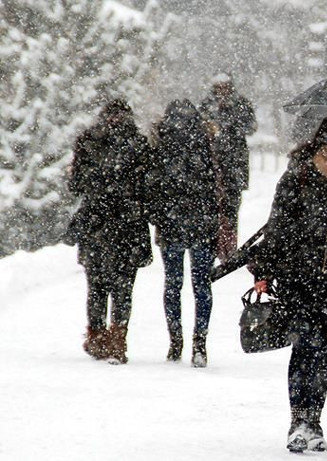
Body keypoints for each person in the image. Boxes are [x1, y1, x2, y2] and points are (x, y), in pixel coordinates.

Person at [248, 113, 327, 453]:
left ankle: (314, 420)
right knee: (305, 345)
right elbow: (278, 225)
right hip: (298, 276)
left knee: (324, 351)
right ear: (325, 143)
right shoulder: (301, 173)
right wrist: (264, 270)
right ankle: (298, 421)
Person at [67, 99, 152, 365]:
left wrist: (97, 186)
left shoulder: (88, 141)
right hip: (128, 224)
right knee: (123, 287)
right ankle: (117, 339)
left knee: (96, 286)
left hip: (97, 224)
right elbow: (147, 187)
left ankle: (97, 336)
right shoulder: (139, 144)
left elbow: (75, 185)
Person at [148, 99, 220, 367]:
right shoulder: (207, 140)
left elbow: (153, 184)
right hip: (202, 222)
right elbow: (217, 182)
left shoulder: (160, 142)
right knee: (202, 286)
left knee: (173, 284)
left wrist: (158, 214)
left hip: (171, 223)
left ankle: (175, 341)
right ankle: (199, 343)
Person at [199, 74, 257, 261]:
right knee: (212, 210)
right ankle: (213, 247)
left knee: (231, 210)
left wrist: (230, 125)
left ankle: (229, 249)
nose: (222, 90)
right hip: (212, 165)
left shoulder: (241, 104)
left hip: (234, 165)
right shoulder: (207, 105)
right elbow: (199, 128)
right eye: (219, 86)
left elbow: (251, 127)